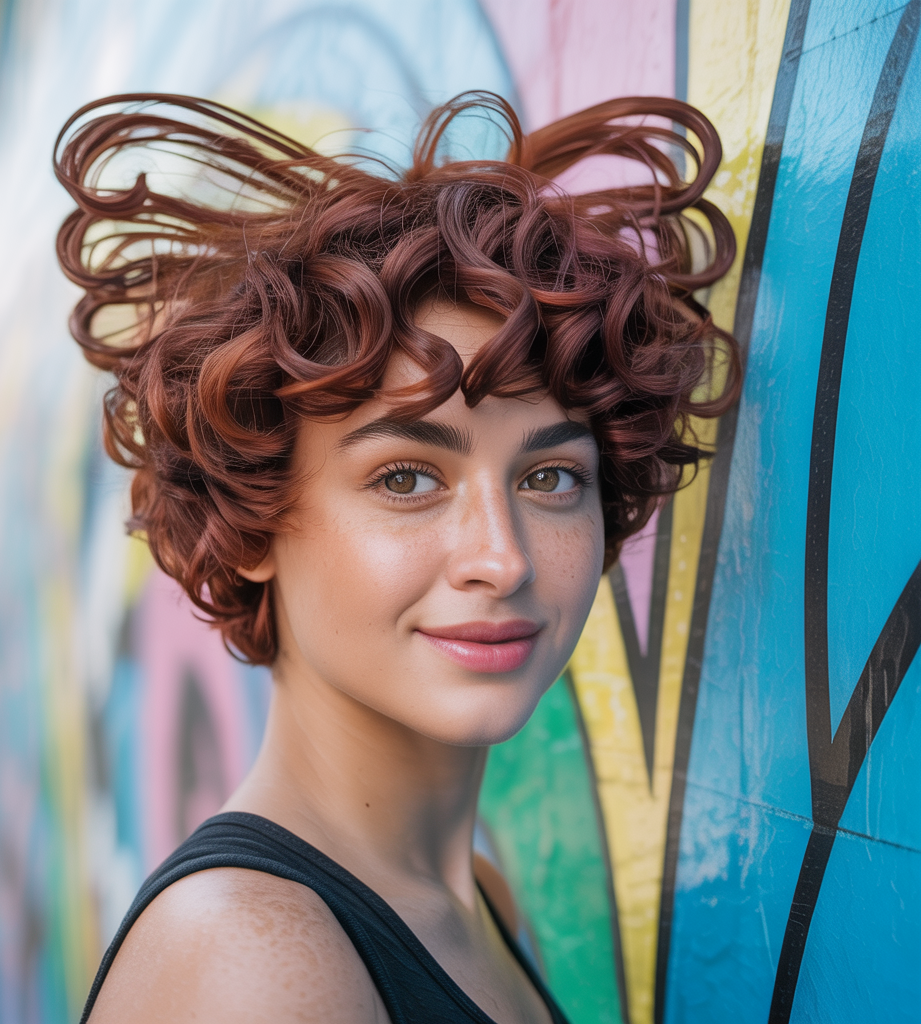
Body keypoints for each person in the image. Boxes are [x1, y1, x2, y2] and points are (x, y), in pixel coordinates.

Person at [54, 90, 740, 1024]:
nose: (503, 561)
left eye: (549, 481)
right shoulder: (251, 963)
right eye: (407, 479)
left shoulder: (479, 904)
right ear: (253, 523)